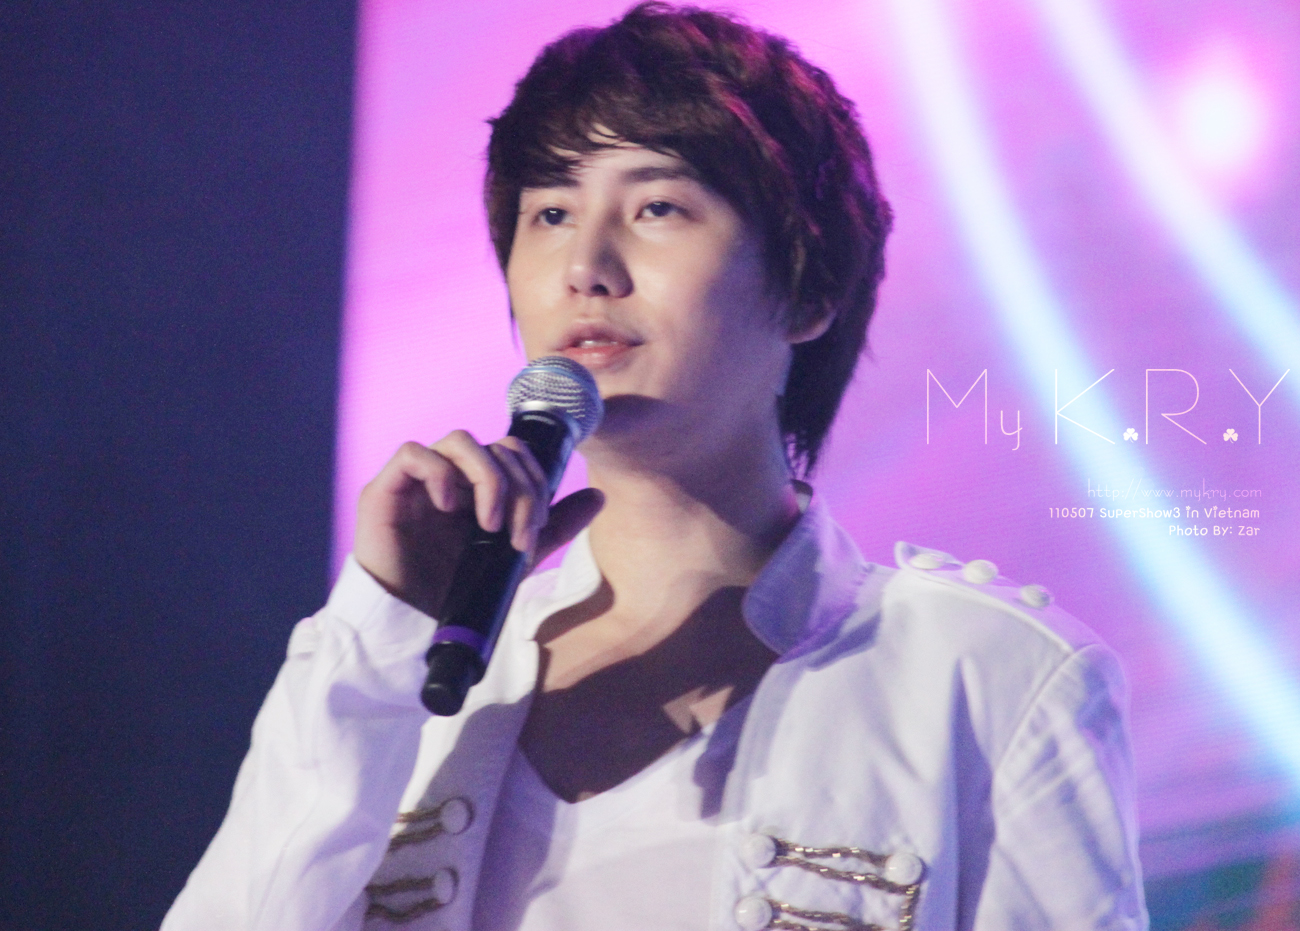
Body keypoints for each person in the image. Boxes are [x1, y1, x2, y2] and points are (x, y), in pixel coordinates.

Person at [163, 4, 1147, 930]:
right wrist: (382, 622)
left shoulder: (989, 678)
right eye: (550, 213)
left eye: (658, 207)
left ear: (809, 289)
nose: (584, 265)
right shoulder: (412, 675)